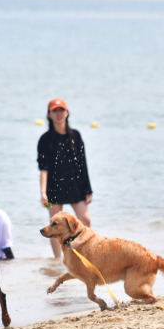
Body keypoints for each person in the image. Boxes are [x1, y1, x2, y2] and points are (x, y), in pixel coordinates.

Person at [37, 98, 93, 259]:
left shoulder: (76, 135)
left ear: (67, 113)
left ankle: (87, 255)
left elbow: (82, 164)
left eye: (61, 110)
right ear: (49, 114)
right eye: (55, 110)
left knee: (86, 220)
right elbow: (43, 169)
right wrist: (42, 192)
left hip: (76, 186)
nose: (59, 113)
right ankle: (58, 261)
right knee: (54, 228)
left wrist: (88, 189)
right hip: (52, 188)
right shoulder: (45, 139)